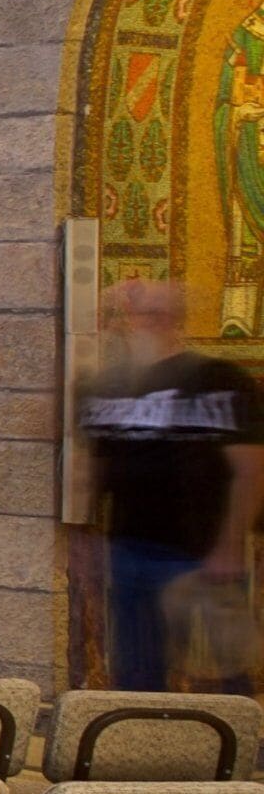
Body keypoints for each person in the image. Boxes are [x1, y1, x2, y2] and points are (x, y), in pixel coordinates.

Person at [81, 275, 263, 690]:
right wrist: (84, 540)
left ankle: (231, 751)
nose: (150, 323)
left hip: (203, 553)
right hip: (129, 548)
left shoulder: (220, 379)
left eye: (159, 314)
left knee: (221, 677)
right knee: (137, 675)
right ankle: (151, 751)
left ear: (175, 319)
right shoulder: (110, 385)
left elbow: (250, 469)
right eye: (142, 314)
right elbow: (96, 464)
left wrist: (229, 547)